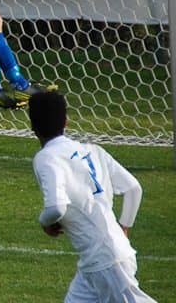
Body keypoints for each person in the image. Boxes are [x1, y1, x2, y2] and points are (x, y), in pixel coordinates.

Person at [29, 91, 155, 302]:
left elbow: (56, 208)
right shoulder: (92, 150)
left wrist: (45, 222)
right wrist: (123, 228)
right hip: (96, 261)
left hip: (107, 263)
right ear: (66, 122)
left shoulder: (46, 158)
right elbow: (133, 189)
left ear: (32, 127)